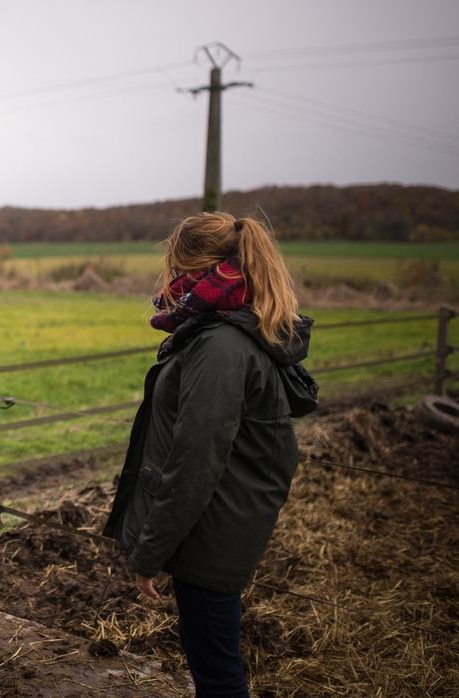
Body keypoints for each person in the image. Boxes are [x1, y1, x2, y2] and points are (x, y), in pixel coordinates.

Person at [103, 212, 314, 697]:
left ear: (193, 267)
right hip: (222, 521)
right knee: (212, 662)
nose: (170, 283)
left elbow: (196, 460)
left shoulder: (219, 345)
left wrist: (149, 553)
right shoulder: (231, 327)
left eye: (174, 269)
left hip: (215, 529)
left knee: (218, 673)